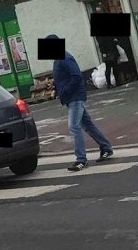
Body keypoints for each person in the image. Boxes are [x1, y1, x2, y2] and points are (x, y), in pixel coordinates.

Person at [47, 34, 115, 169]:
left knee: (74, 126)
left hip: (75, 97)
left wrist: (65, 90)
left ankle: (81, 160)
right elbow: (64, 77)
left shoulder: (65, 57)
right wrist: (56, 87)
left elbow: (77, 76)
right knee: (88, 125)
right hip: (71, 97)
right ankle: (106, 148)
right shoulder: (58, 59)